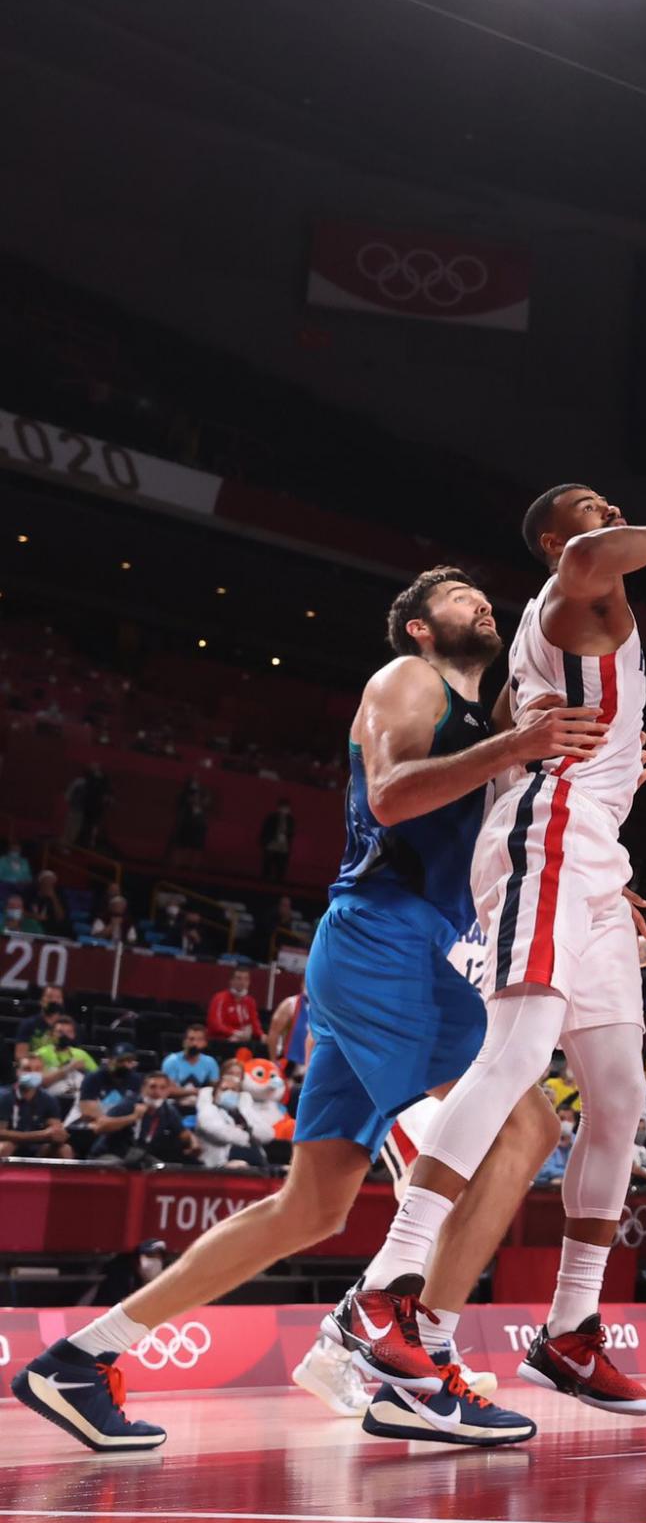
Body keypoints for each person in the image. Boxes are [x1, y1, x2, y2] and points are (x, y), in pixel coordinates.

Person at [12, 566, 593, 1454]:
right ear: (419, 627)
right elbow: (391, 795)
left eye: (482, 593)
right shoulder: (409, 680)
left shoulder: (488, 724)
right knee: (526, 1127)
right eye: (455, 596)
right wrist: (517, 745)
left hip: (402, 949)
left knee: (311, 1209)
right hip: (381, 939)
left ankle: (81, 1360)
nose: (479, 600)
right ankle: (414, 1360)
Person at [340, 490, 646, 1425]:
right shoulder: (573, 587)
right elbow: (593, 557)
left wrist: (613, 770)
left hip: (594, 844)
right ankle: (386, 1285)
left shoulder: (577, 626)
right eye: (589, 508)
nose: (610, 510)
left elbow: (524, 732)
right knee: (519, 1052)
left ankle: (569, 1329)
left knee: (621, 1095)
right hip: (550, 831)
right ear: (560, 541)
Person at [0, 1054, 69, 1160]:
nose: (32, 1073)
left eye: (37, 1069)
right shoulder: (4, 1096)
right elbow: (1, 1132)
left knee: (65, 1149)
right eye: (27, 1069)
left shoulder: (49, 1099)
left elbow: (54, 1128)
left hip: (36, 1147)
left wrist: (59, 1135)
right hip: (10, 1144)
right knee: (5, 1147)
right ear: (17, 1071)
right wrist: (39, 1135)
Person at [206, 968, 264, 1048]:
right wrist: (235, 1033)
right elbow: (215, 1024)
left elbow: (254, 1022)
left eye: (246, 979)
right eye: (239, 978)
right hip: (221, 1042)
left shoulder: (250, 1001)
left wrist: (261, 1035)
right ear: (231, 981)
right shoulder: (220, 998)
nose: (242, 982)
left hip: (243, 1043)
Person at [161, 1025, 221, 1092]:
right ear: (184, 1041)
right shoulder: (171, 1061)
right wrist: (195, 1092)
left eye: (199, 1040)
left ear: (205, 1043)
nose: (195, 1043)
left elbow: (215, 1088)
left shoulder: (210, 1062)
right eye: (191, 1039)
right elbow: (166, 1090)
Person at [260, 799, 296, 883]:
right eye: (284, 808)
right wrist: (265, 842)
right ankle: (265, 881)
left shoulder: (290, 819)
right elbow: (266, 830)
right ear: (279, 808)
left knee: (281, 865)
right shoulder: (272, 817)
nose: (285, 810)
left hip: (283, 845)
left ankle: (279, 881)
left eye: (287, 808)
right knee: (268, 864)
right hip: (272, 843)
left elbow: (291, 832)